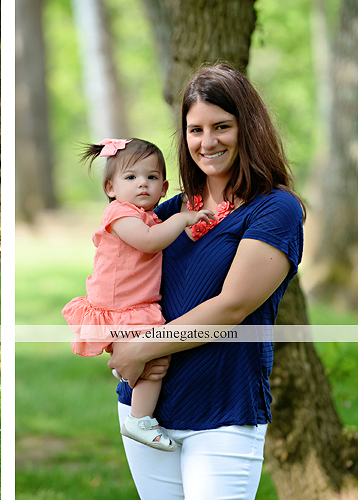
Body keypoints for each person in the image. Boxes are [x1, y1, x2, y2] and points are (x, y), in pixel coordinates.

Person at [107, 64, 305, 499]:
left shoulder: (275, 210)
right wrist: (117, 340)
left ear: (247, 128)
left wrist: (142, 348)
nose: (207, 141)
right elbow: (119, 277)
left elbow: (232, 305)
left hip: (224, 409)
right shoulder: (169, 212)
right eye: (195, 129)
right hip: (146, 409)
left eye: (222, 126)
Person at [62, 138, 213, 452]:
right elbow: (148, 242)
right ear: (110, 188)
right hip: (121, 306)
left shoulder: (148, 215)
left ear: (164, 186)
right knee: (153, 357)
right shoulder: (121, 215)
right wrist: (183, 219)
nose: (142, 184)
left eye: (152, 177)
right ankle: (139, 419)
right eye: (131, 177)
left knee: (153, 360)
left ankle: (141, 417)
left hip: (131, 304)